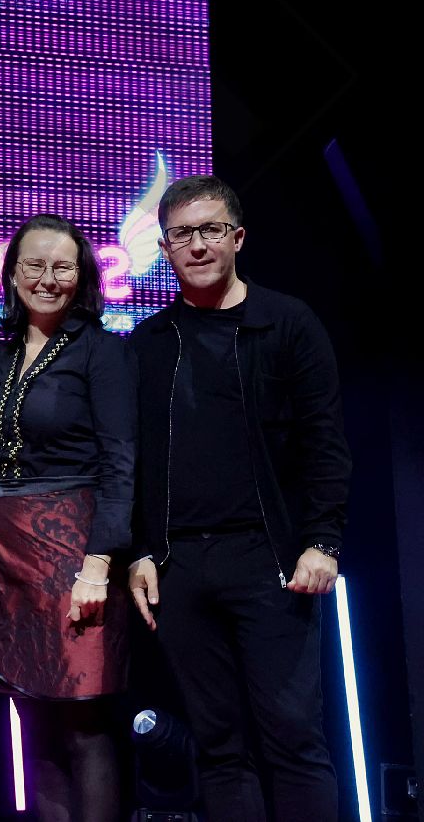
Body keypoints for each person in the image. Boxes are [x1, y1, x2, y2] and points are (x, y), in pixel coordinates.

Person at [127, 175, 350, 822]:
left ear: (238, 237)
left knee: (294, 739)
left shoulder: (287, 323)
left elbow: (325, 444)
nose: (197, 245)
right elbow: (134, 461)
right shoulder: (147, 343)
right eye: (182, 234)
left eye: (211, 230)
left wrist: (323, 540)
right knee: (219, 749)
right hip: (181, 570)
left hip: (269, 559)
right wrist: (141, 550)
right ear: (164, 248)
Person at [0, 214, 135, 821]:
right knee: (33, 722)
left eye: (62, 266)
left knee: (83, 724)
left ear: (82, 276)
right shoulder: (3, 354)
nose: (47, 278)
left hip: (72, 551)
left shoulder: (103, 351)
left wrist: (98, 566)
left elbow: (121, 464)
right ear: (13, 274)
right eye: (33, 265)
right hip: (5, 555)